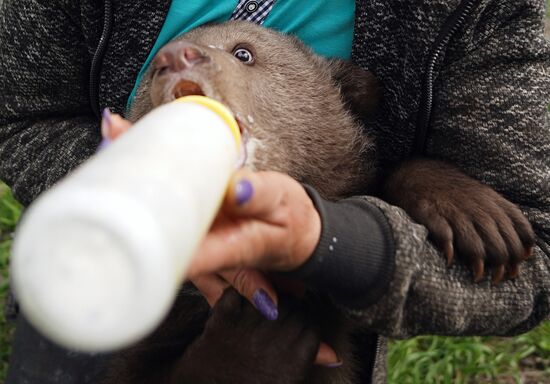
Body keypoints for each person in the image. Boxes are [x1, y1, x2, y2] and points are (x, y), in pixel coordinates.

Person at [1, 0, 549, 383]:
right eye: (161, 69)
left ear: (344, 92)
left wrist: (349, 239)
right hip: (89, 265)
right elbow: (21, 117)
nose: (173, 63)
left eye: (242, 55)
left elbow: (534, 255)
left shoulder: (479, 13)